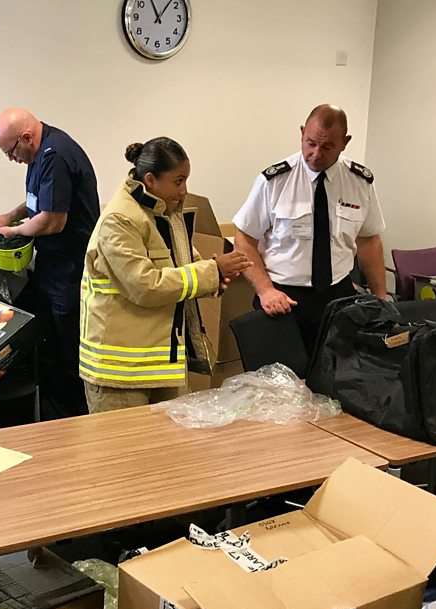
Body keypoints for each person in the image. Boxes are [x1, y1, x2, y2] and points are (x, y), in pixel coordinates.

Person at [80, 138, 250, 413]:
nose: (184, 191)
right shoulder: (119, 220)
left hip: (163, 363)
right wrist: (212, 271)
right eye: (178, 181)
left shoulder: (165, 212)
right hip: (120, 374)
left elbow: (182, 266)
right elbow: (145, 286)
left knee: (176, 453)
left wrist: (214, 278)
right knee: (126, 455)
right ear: (150, 179)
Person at [233, 104, 388, 352]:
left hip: (339, 297)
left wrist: (381, 298)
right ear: (302, 132)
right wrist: (265, 291)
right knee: (279, 384)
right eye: (310, 143)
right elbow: (244, 239)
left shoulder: (359, 182)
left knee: (335, 379)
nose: (316, 154)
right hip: (283, 298)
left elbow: (369, 241)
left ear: (345, 142)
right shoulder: (275, 181)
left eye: (327, 147)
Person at [0, 108, 98, 420]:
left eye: (11, 152)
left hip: (69, 268)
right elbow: (39, 200)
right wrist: (11, 215)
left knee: (66, 348)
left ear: (26, 137)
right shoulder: (39, 151)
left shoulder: (56, 155)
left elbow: (52, 221)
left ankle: (75, 415)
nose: (12, 159)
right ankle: (50, 412)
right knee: (44, 340)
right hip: (50, 265)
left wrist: (14, 232)